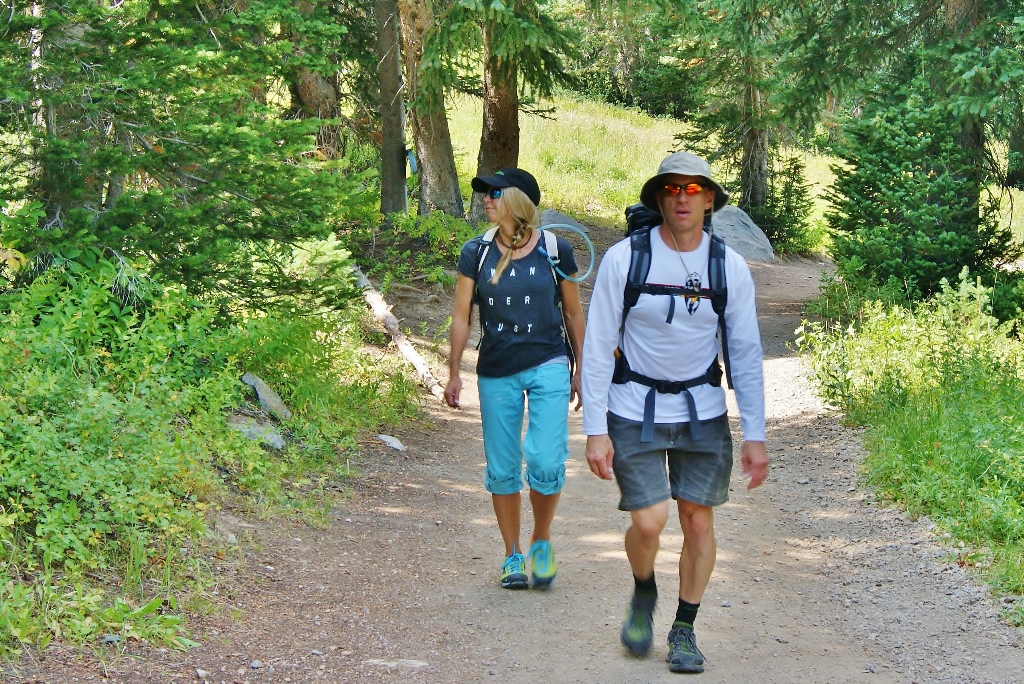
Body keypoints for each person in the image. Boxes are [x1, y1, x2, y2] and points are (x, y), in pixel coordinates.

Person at [580, 151, 768, 673]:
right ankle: (644, 589)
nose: (682, 198)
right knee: (649, 521)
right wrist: (595, 429)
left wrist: (756, 434)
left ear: (709, 199)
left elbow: (745, 354)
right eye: (673, 189)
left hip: (702, 410)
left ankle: (684, 628)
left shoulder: (726, 266)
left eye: (693, 190)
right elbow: (597, 347)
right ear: (660, 197)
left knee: (697, 521)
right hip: (632, 406)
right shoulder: (626, 259)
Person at [444, 168, 585, 590]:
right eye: (485, 193)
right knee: (503, 468)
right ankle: (512, 555)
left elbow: (573, 313)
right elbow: (461, 313)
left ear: (518, 200)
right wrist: (453, 371)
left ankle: (541, 538)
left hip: (549, 363)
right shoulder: (477, 251)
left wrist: (583, 370)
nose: (486, 199)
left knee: (545, 460)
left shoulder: (557, 250)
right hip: (496, 369)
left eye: (494, 192)